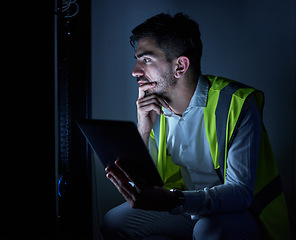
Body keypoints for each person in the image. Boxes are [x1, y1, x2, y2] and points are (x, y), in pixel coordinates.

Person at [101, 13, 291, 240]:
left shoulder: (236, 102)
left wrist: (176, 201)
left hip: (240, 214)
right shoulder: (154, 107)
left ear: (180, 66)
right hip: (185, 207)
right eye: (138, 59)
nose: (135, 71)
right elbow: (146, 188)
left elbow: (240, 193)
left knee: (208, 229)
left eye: (147, 60)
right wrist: (143, 129)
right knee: (113, 221)